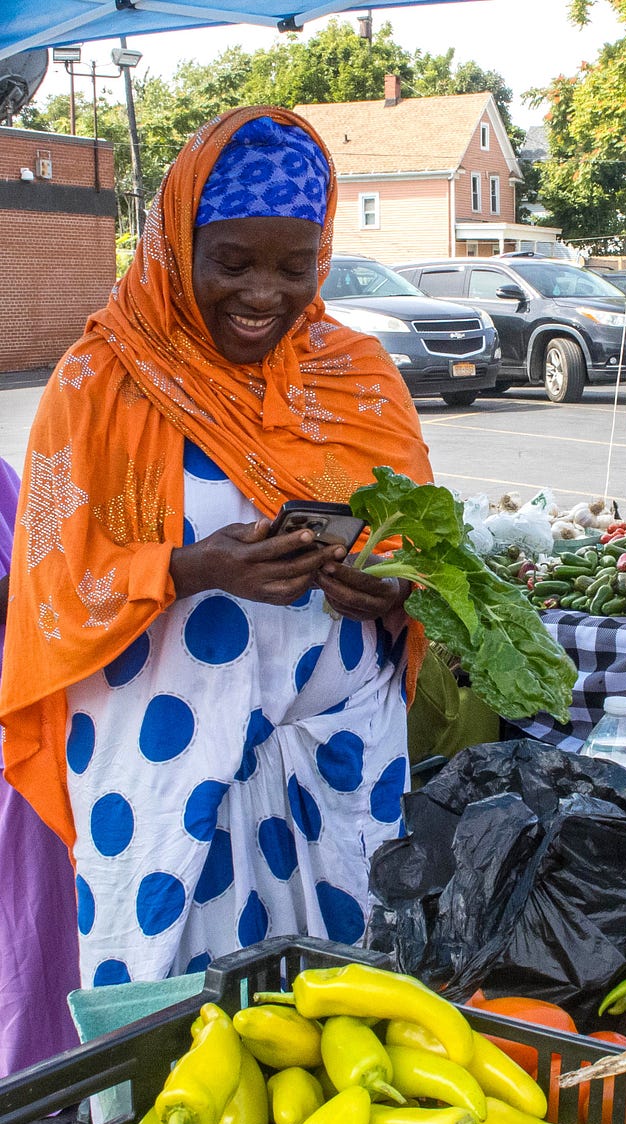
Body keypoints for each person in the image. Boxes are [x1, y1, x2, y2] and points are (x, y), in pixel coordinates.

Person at [0, 106, 434, 987]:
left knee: (347, 1012)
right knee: (170, 1024)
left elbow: (423, 544)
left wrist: (389, 586)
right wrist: (193, 570)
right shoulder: (99, 382)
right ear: (174, 247)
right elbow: (48, 583)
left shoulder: (358, 375)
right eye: (231, 263)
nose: (264, 293)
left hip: (338, 746)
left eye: (295, 264)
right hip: (161, 764)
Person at [0, 456, 83, 1074]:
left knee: (46, 903)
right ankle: (32, 1076)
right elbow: (43, 570)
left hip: (35, 703)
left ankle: (63, 1061)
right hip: (15, 731)